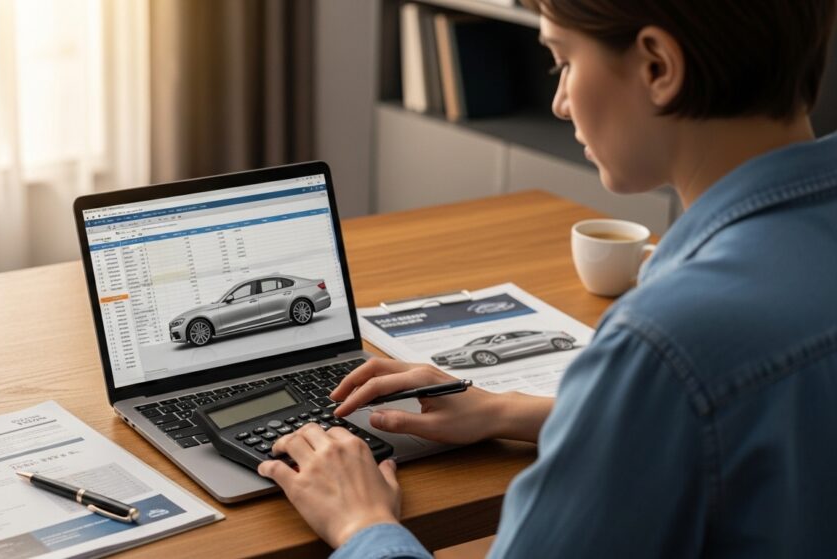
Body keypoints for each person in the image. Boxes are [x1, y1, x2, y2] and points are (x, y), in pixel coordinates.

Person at [257, 0, 837, 557]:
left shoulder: (663, 344)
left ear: (658, 67)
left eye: (563, 59)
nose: (559, 101)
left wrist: (362, 524)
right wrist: (512, 410)